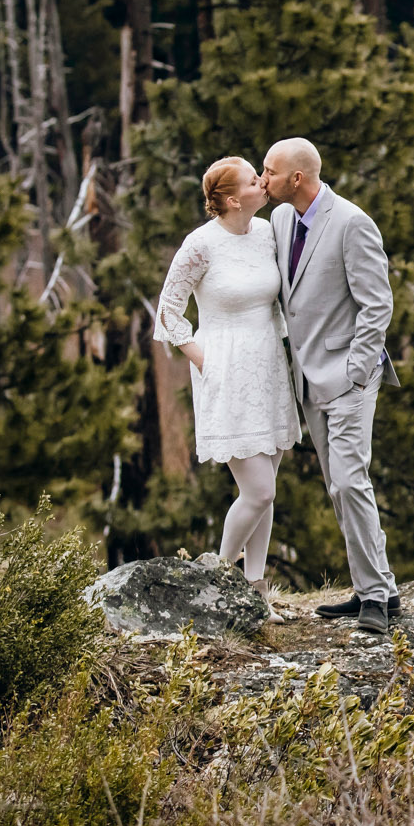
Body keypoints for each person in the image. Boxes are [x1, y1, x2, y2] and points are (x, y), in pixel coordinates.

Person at [153, 156, 302, 615]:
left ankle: (257, 593)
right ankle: (217, 578)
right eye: (256, 180)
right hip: (227, 371)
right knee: (258, 490)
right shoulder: (200, 245)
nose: (265, 183)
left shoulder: (266, 234)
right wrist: (204, 359)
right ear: (234, 198)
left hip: (270, 369)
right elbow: (168, 311)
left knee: (267, 487)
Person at [263, 137, 400, 635]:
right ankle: (378, 586)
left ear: (296, 179)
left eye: (269, 172)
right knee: (339, 486)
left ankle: (375, 604)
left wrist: (356, 373)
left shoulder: (352, 223)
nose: (263, 180)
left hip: (348, 379)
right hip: (306, 380)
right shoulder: (280, 220)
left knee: (349, 481)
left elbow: (377, 305)